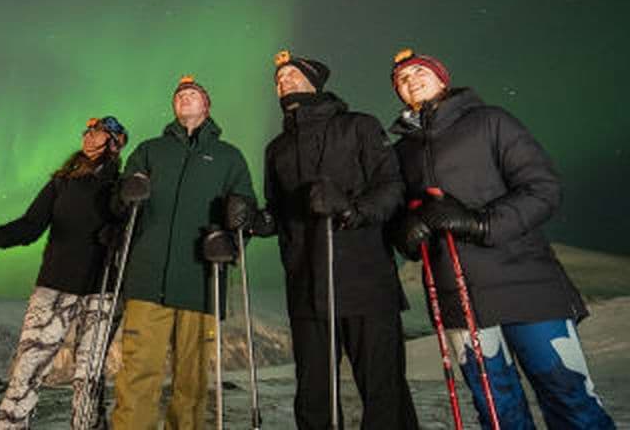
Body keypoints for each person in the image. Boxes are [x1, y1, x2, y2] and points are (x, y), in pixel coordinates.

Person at [389, 48, 615, 429]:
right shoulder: (400, 152)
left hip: (527, 287)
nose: (410, 80)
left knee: (567, 394)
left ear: (443, 78)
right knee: (496, 409)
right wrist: (406, 233)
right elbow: (397, 215)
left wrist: (479, 223)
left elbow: (543, 189)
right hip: (457, 299)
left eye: (418, 71)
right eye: (401, 80)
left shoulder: (490, 121)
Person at [250, 50, 418, 429]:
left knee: (382, 387)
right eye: (278, 79)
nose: (283, 81)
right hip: (306, 283)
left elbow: (391, 186)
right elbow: (278, 210)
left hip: (365, 277)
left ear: (315, 81)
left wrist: (353, 210)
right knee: (313, 392)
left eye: (292, 74)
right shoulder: (277, 149)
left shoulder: (359, 126)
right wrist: (254, 220)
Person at [0, 115, 129, 430]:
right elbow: (30, 226)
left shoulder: (123, 189)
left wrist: (121, 232)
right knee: (29, 363)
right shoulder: (62, 182)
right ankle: (10, 423)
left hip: (102, 289)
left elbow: (137, 231)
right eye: (88, 132)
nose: (88, 137)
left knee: (88, 375)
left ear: (114, 144)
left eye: (98, 133)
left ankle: (88, 425)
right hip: (55, 287)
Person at [110, 75, 256, 430]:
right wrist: (126, 194)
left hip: (202, 279)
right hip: (147, 277)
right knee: (137, 372)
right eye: (179, 96)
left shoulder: (229, 157)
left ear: (207, 106)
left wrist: (235, 236)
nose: (185, 99)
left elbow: (245, 210)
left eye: (193, 94)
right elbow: (120, 204)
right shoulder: (149, 150)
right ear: (174, 107)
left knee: (192, 380)